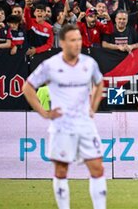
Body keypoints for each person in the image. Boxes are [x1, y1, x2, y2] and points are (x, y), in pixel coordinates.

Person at [22, 24, 106, 209]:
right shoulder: (50, 65)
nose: (77, 44)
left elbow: (99, 83)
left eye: (79, 40)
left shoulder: (88, 63)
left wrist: (93, 107)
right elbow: (27, 87)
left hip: (85, 124)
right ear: (62, 43)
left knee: (97, 167)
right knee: (61, 170)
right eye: (72, 40)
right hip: (61, 126)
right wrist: (44, 113)